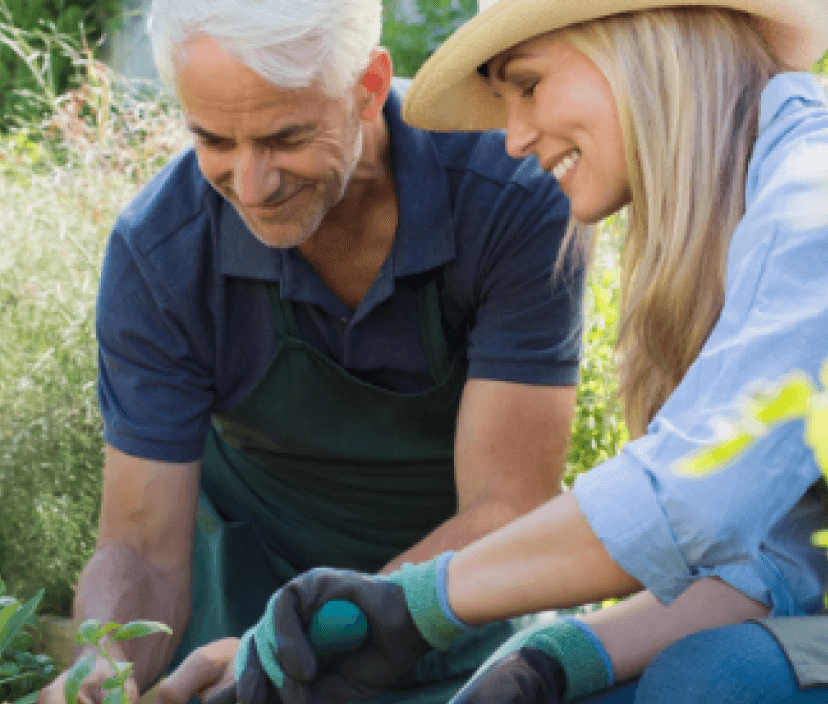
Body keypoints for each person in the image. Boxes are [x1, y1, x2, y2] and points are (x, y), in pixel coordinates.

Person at [149, 1, 828, 703]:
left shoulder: (814, 197)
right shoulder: (742, 216)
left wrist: (418, 603)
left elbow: (688, 500)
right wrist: (557, 657)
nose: (514, 139)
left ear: (642, 47)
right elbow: (779, 569)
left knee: (714, 677)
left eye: (528, 85)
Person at [35, 1, 587, 704]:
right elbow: (141, 548)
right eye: (214, 141)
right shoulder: (163, 252)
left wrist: (299, 643)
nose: (252, 185)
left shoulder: (506, 190)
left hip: (464, 610)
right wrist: (103, 669)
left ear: (367, 89)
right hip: (241, 613)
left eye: (285, 137)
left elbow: (505, 505)